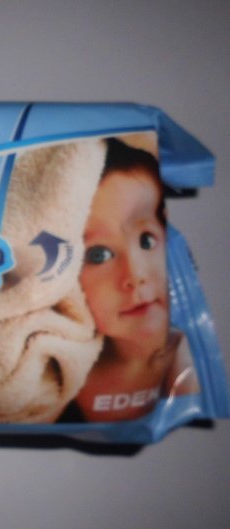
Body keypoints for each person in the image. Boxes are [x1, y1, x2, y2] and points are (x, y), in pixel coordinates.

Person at [71, 138, 199, 423]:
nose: (135, 275)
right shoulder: (62, 371)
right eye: (98, 255)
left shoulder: (187, 361)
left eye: (147, 240)